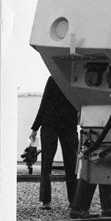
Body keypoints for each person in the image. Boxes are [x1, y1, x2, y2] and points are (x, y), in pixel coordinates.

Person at [29, 77, 78, 210]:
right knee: (72, 164)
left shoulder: (53, 78)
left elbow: (44, 103)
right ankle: (74, 201)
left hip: (50, 123)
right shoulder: (75, 79)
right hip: (69, 124)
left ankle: (45, 201)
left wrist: (35, 128)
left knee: (47, 163)